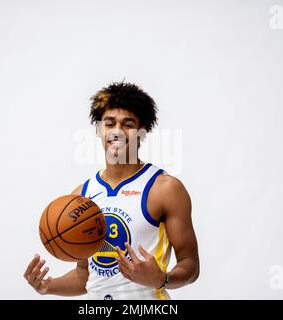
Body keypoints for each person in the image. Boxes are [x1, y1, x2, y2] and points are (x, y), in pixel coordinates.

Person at [24, 82, 199, 300]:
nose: (117, 131)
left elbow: (190, 265)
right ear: (99, 130)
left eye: (127, 124)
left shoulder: (164, 188)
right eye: (109, 123)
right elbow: (83, 276)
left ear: (142, 133)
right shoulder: (82, 196)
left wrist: (162, 279)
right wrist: (47, 286)